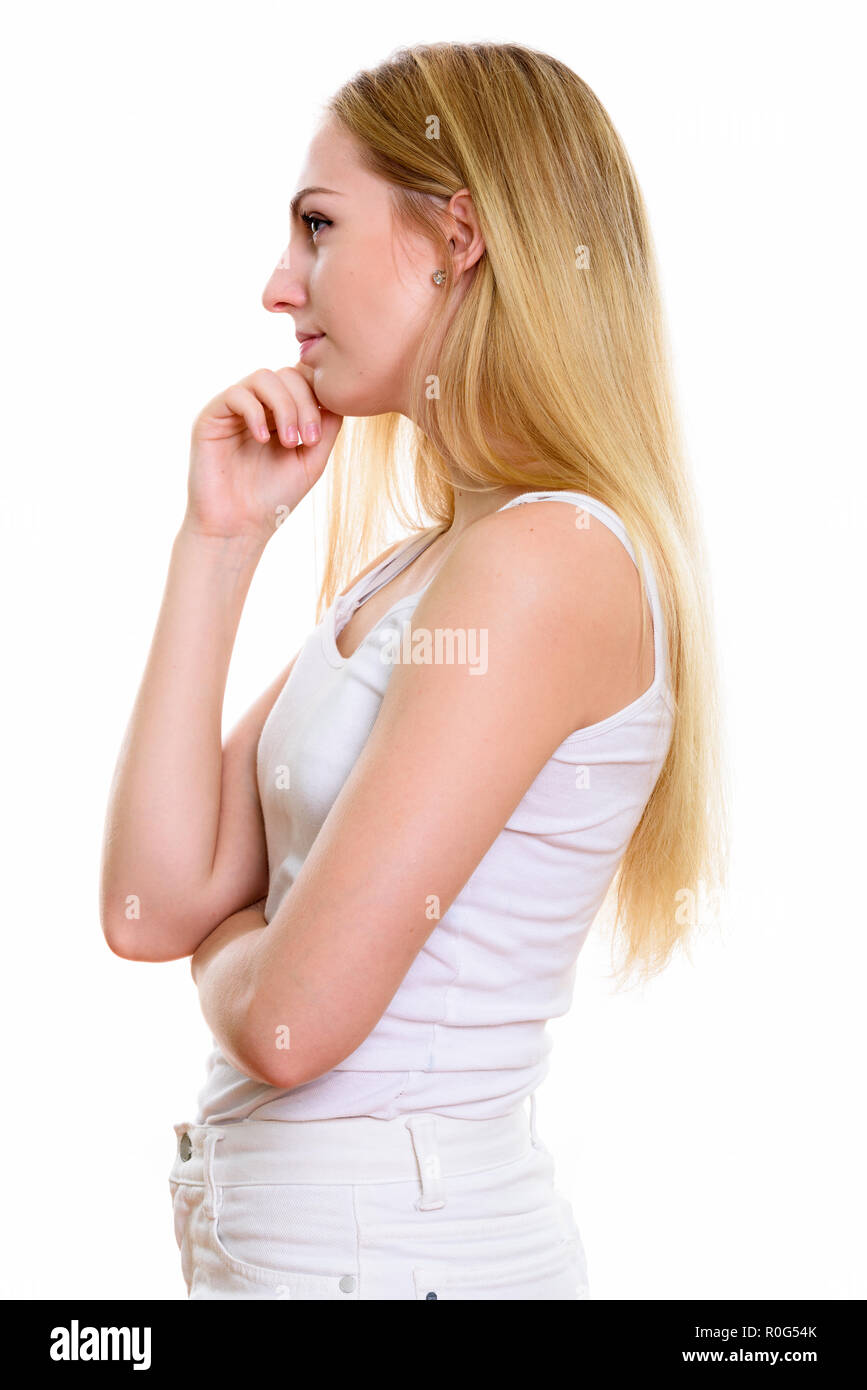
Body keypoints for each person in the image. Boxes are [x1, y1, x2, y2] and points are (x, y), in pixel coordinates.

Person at [100, 41, 728, 1300]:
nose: (281, 285)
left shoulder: (544, 562)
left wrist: (236, 944)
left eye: (318, 225)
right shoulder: (431, 561)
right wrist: (219, 539)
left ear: (457, 236)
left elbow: (293, 1025)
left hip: (403, 1262)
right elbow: (151, 903)